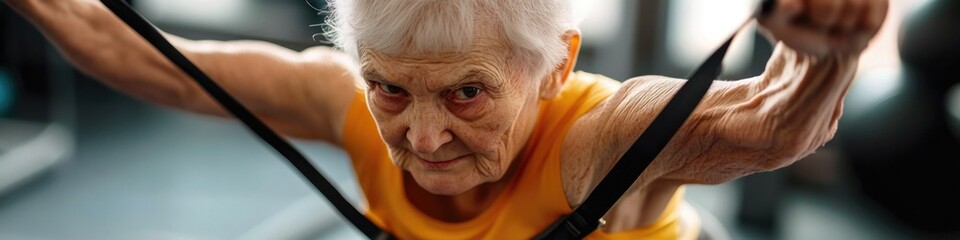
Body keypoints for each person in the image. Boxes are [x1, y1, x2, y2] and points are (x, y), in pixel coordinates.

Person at [2, 0, 888, 239]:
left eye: (466, 93)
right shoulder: (341, 101)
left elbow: (774, 125)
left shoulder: (602, 137)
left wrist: (829, 49)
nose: (420, 140)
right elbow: (145, 57)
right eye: (389, 88)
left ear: (558, 66)